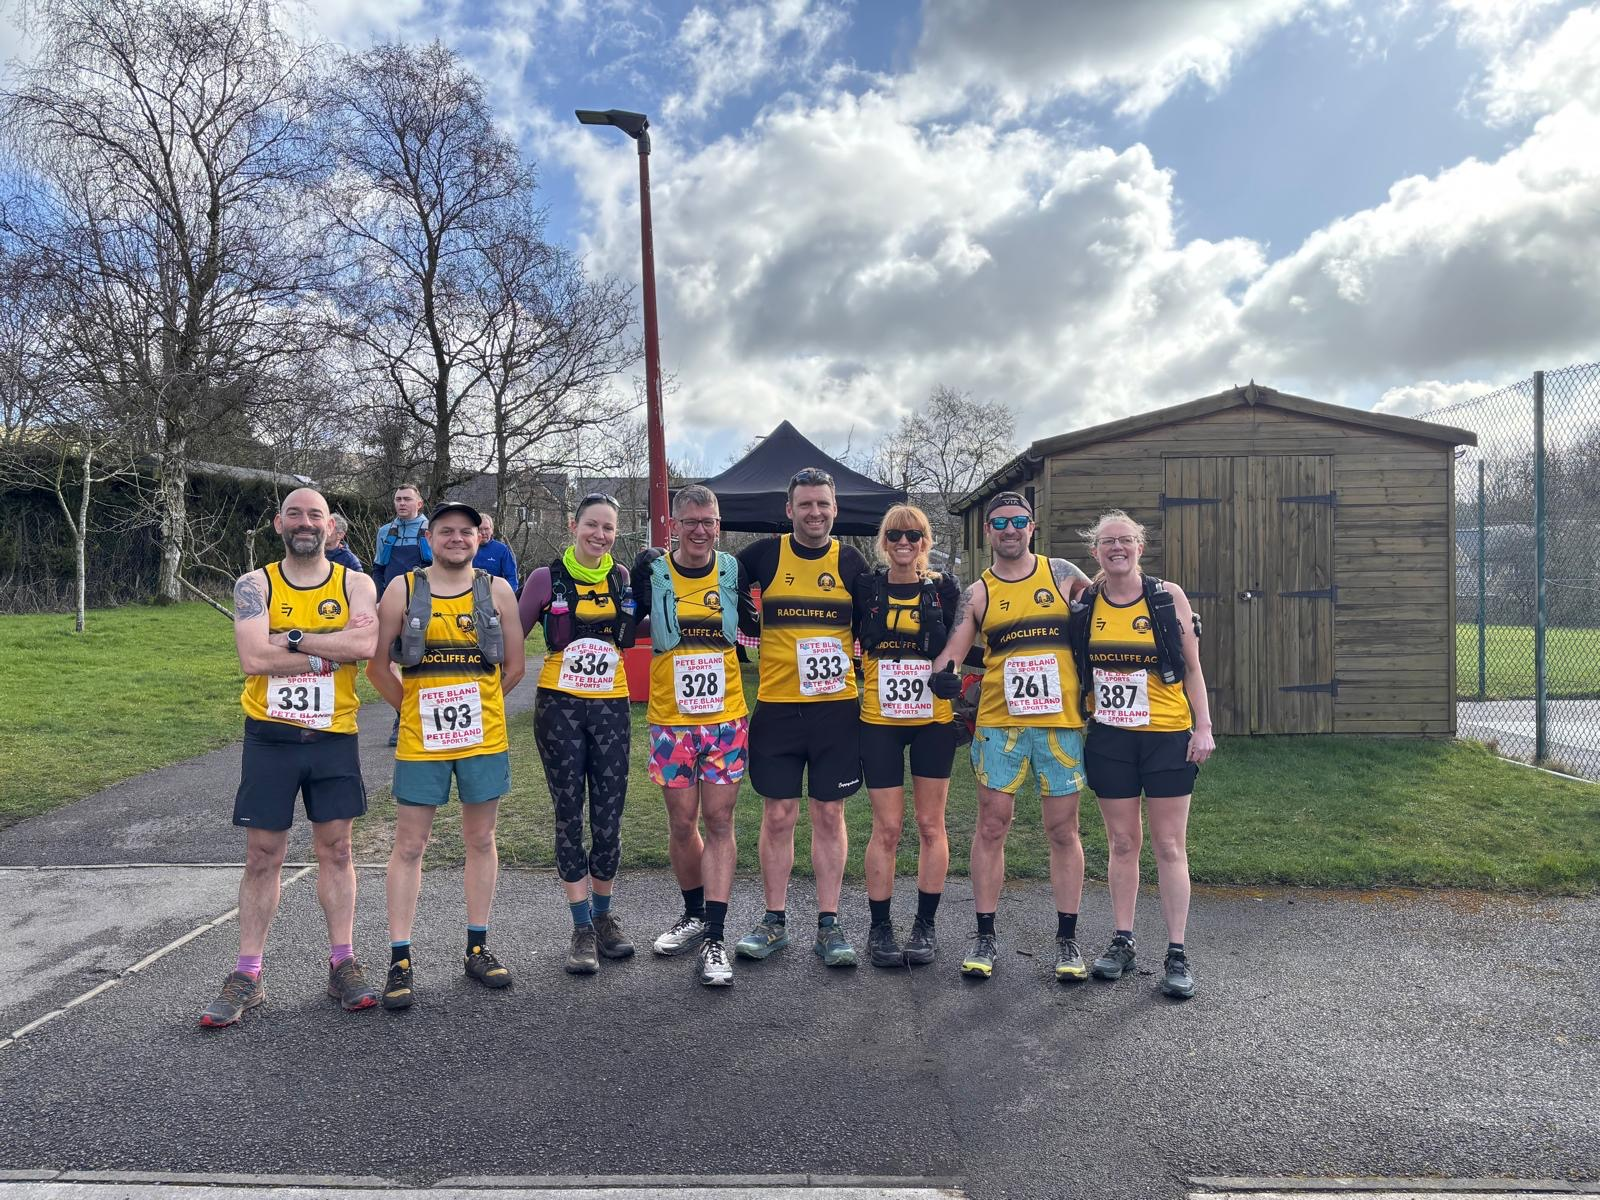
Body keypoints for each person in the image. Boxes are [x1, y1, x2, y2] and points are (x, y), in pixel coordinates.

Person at [201, 488, 380, 1028]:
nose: (306, 523)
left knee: (338, 850)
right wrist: (330, 643)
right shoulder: (255, 585)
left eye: (316, 515)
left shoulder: (357, 584)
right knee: (262, 855)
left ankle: (342, 963)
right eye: (296, 514)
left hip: (333, 736)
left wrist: (295, 637)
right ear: (279, 522)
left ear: (332, 527)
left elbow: (365, 649)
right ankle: (248, 973)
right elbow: (253, 656)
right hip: (271, 738)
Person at [367, 500, 526, 1009]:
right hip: (421, 741)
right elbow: (376, 668)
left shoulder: (497, 589)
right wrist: (416, 709)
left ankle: (477, 947)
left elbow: (517, 667)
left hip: (483, 740)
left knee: (481, 838)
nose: (457, 539)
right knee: (410, 844)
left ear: (480, 537)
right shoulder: (402, 589)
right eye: (445, 532)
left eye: (466, 531)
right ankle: (400, 959)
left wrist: (480, 709)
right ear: (428, 538)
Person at [931, 491, 1091, 981]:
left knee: (1062, 830)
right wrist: (944, 674)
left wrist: (1169, 610)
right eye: (1000, 522)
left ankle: (1067, 940)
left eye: (1018, 520)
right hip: (1000, 722)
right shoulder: (979, 591)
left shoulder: (1062, 574)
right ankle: (984, 933)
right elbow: (954, 648)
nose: (1009, 529)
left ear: (1032, 527)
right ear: (988, 531)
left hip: (1060, 723)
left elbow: (1117, 600)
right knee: (992, 825)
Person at [1069, 509, 1214, 999]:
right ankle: (1123, 940)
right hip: (1110, 738)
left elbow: (1192, 669)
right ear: (1096, 551)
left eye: (1125, 540)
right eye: (1108, 541)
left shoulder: (1165, 596)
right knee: (1123, 843)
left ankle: (1176, 951)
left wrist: (1204, 728)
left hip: (1168, 734)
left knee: (1170, 845)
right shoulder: (1089, 601)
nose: (1117, 548)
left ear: (1139, 546)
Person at [733, 467, 871, 968]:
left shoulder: (852, 560)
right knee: (777, 815)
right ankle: (774, 921)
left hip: (836, 711)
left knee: (829, 814)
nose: (815, 513)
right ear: (789, 511)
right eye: (805, 505)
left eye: (823, 505)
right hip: (777, 707)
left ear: (836, 510)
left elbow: (876, 623)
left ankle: (830, 924)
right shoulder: (763, 554)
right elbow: (715, 581)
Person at [630, 485, 759, 986]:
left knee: (720, 819)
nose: (701, 530)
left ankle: (716, 938)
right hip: (670, 718)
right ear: (674, 525)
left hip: (725, 716)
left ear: (719, 525)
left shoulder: (732, 570)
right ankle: (694, 914)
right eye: (692, 521)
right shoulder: (653, 571)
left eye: (710, 521)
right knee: (683, 822)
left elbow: (749, 627)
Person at [518, 493, 639, 975]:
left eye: (609, 528)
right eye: (592, 525)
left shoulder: (623, 577)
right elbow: (516, 630)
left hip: (611, 705)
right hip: (560, 708)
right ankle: (580, 925)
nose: (600, 535)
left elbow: (633, 630)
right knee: (570, 812)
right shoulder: (546, 577)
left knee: (609, 813)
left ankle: (605, 916)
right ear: (574, 525)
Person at [852, 504, 961, 967]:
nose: (903, 543)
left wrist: (955, 676)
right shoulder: (866, 587)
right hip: (879, 721)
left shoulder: (944, 590)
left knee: (931, 825)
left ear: (925, 541)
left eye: (913, 535)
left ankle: (925, 925)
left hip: (932, 721)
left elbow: (963, 641)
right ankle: (880, 929)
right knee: (888, 827)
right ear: (883, 540)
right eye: (895, 534)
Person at [373, 483, 432, 746]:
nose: (402, 504)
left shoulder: (431, 530)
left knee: (423, 661)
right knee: (387, 661)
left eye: (407, 499)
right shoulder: (386, 532)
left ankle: (428, 717)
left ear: (419, 503)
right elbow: (378, 568)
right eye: (398, 499)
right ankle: (402, 715)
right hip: (391, 602)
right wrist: (377, 599)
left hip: (423, 602)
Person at [474, 512, 521, 594]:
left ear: (491, 530)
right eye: (480, 529)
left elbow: (511, 577)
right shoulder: (466, 549)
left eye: (486, 529)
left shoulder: (502, 550)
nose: (483, 532)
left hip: (495, 596)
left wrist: (508, 596)